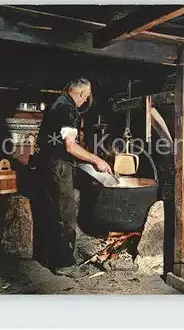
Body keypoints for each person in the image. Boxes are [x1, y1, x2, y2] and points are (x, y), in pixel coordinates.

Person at [35, 78, 112, 276]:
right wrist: (97, 160)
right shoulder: (66, 109)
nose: (84, 102)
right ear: (81, 94)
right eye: (85, 98)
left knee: (52, 211)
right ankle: (64, 264)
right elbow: (70, 146)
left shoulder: (57, 104)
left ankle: (48, 257)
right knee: (65, 213)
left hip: (48, 163)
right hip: (58, 166)